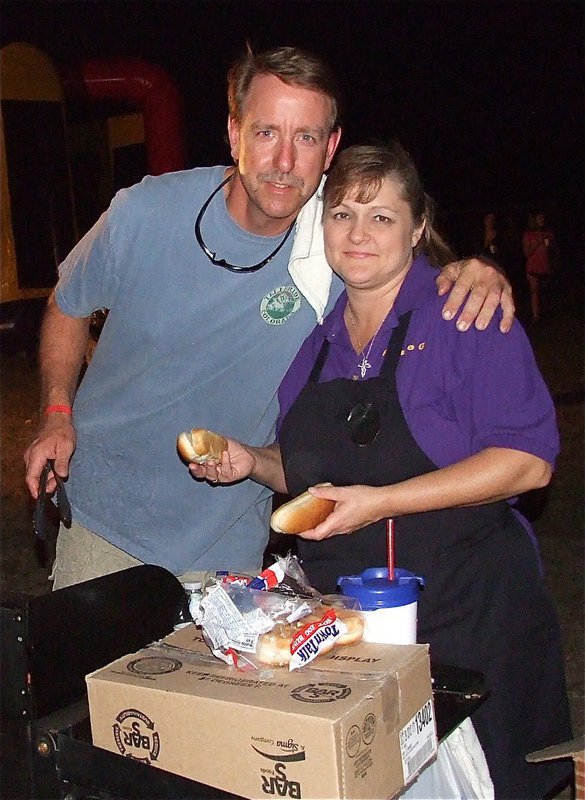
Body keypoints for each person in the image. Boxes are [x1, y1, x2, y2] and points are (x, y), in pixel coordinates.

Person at [24, 45, 514, 592]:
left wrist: (478, 269)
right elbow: (67, 303)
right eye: (266, 133)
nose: (284, 161)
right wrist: (56, 412)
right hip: (103, 526)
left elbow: (420, 274)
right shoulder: (144, 212)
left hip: (227, 549)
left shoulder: (337, 245)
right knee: (87, 680)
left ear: (330, 149)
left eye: (305, 137)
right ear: (234, 134)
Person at [189, 143, 572, 798]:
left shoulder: (465, 314)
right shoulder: (315, 345)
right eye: (341, 215)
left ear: (417, 228)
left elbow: (527, 461)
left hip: (469, 615)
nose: (357, 234)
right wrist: (253, 461)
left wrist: (382, 500)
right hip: (350, 631)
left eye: (381, 217)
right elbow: (316, 481)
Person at [522, 210, 556, 322]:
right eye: (540, 219)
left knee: (545, 291)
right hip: (533, 267)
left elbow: (552, 251)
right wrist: (538, 242)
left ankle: (546, 314)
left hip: (545, 266)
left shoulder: (549, 234)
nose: (542, 221)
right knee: (534, 291)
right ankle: (535, 315)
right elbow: (527, 253)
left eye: (543, 218)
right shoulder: (528, 235)